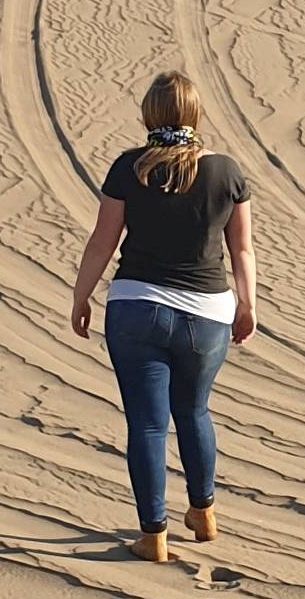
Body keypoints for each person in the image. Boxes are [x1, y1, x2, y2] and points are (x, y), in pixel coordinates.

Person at [69, 70, 257, 562]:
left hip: (136, 309)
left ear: (149, 115)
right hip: (207, 313)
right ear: (196, 114)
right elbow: (242, 249)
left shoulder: (128, 168)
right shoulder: (227, 172)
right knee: (194, 411)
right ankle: (204, 512)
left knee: (148, 425)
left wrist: (81, 296)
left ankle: (154, 535)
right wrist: (247, 304)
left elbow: (102, 241)